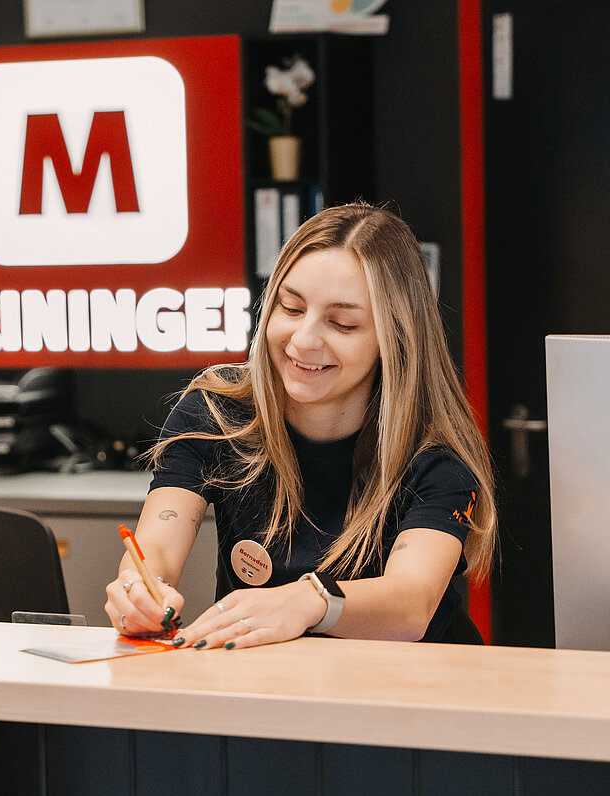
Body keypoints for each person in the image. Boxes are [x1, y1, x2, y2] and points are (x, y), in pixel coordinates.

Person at [105, 203, 496, 649]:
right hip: (270, 693)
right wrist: (139, 590)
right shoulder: (214, 413)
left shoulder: (435, 456)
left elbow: (411, 605)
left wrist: (310, 601)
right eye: (290, 308)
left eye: (342, 323)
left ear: (396, 338)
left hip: (410, 695)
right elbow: (155, 546)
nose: (304, 340)